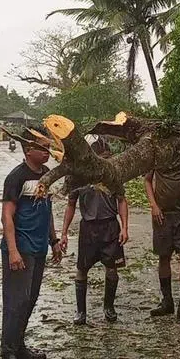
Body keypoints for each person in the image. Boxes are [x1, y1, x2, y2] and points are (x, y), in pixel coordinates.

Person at [0, 138, 60, 359]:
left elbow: (47, 209)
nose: (47, 152)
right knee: (16, 300)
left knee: (30, 299)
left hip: (39, 246)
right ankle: (7, 352)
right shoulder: (16, 178)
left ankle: (19, 346)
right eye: (42, 148)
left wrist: (53, 240)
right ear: (28, 150)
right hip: (21, 247)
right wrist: (13, 250)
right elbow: (7, 216)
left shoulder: (46, 175)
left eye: (48, 147)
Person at [60, 138, 128, 326]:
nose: (106, 161)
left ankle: (109, 307)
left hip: (110, 226)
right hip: (88, 228)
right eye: (103, 157)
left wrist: (125, 227)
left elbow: (122, 200)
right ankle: (81, 311)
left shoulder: (113, 175)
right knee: (82, 269)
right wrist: (64, 232)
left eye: (108, 157)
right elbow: (70, 204)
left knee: (112, 269)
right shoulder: (79, 176)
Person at [144, 158, 180, 322]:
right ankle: (167, 300)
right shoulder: (157, 152)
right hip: (162, 213)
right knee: (164, 256)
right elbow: (147, 180)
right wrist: (153, 205)